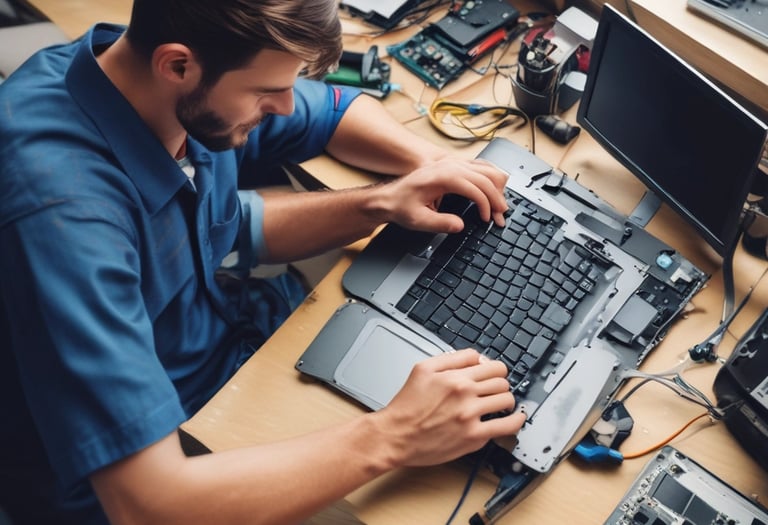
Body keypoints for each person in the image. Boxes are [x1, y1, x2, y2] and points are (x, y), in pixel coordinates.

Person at [0, 1, 527, 523]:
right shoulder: (64, 215)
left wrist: (424, 175)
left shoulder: (154, 78)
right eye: (268, 91)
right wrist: (394, 436)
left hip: (226, 338)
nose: (285, 104)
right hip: (147, 474)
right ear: (178, 65)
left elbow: (332, 111)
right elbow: (149, 505)